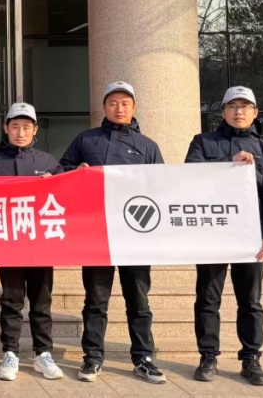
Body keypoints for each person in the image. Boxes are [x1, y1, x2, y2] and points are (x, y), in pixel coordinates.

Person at [60, 81, 166, 384]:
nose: (119, 108)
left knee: (139, 302)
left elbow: (162, 187)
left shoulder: (148, 145)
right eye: (113, 103)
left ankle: (144, 359)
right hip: (96, 234)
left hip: (135, 234)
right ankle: (92, 358)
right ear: (104, 107)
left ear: (133, 108)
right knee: (95, 301)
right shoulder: (86, 139)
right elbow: (61, 171)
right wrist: (75, 171)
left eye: (125, 103)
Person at [185, 86, 263, 387]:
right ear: (223, 112)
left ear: (255, 113)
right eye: (232, 106)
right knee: (207, 299)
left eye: (245, 106)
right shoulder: (202, 142)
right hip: (212, 234)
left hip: (250, 238)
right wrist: (230, 163)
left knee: (251, 302)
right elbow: (190, 177)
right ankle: (208, 356)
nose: (238, 111)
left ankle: (251, 359)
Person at [0, 103, 64, 382]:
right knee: (12, 300)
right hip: (8, 244)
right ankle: (10, 353)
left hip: (41, 244)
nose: (20, 132)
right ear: (6, 128)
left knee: (41, 300)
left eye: (26, 127)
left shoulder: (48, 162)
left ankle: (43, 354)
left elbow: (66, 198)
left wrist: (59, 181)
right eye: (15, 126)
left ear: (35, 130)